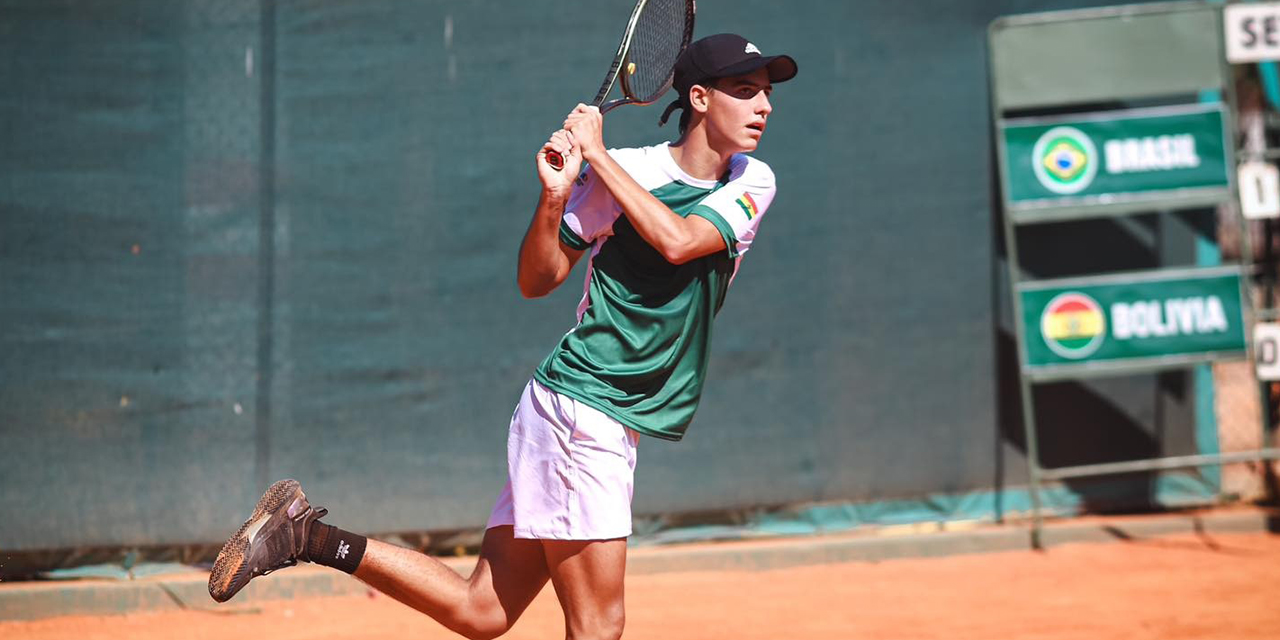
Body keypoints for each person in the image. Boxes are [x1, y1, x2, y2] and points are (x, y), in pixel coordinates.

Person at [207, 33, 797, 640]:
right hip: (584, 408)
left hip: (602, 414)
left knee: (482, 612)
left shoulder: (752, 180)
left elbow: (678, 241)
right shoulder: (632, 172)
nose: (763, 107)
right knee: (598, 626)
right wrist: (555, 196)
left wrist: (599, 156)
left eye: (767, 94)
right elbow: (537, 279)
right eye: (745, 91)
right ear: (699, 98)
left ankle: (306, 533)